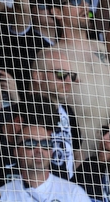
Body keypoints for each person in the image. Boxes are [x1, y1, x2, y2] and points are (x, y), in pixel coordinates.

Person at [0, 102, 94, 202]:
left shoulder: (74, 194)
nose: (39, 150)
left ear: (51, 151)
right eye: (30, 143)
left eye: (45, 144)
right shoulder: (3, 195)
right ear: (16, 152)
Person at [32, 48, 84, 179]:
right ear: (38, 77)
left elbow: (77, 153)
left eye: (71, 76)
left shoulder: (68, 111)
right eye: (61, 74)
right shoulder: (25, 111)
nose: (68, 81)